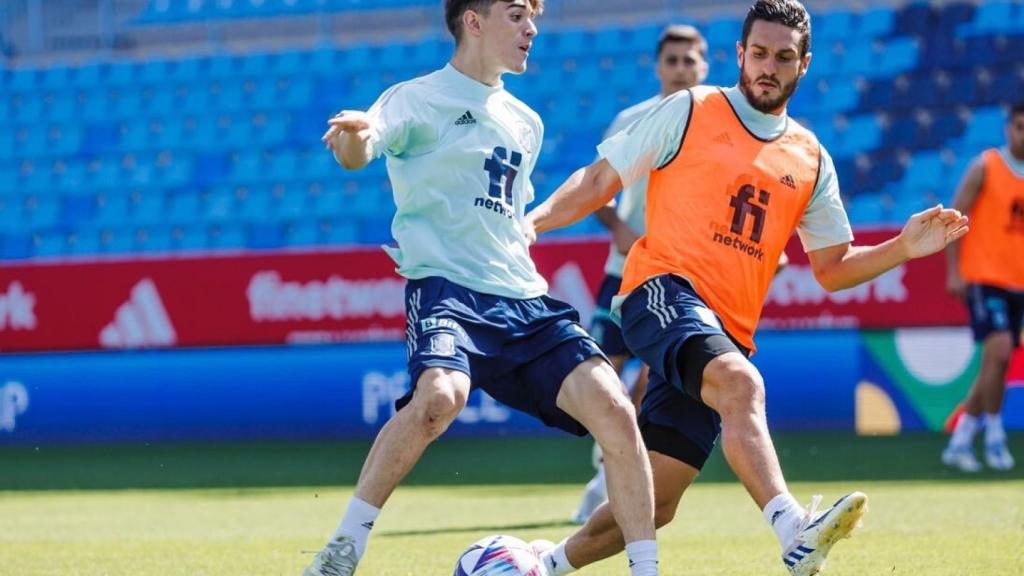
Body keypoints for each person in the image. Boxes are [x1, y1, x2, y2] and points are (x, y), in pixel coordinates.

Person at [524, 1, 969, 574]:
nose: (768, 66)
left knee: (653, 504)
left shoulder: (810, 158)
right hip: (659, 290)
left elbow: (832, 268)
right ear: (739, 54)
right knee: (741, 383)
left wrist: (904, 248)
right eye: (758, 53)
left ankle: (543, 565)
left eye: (783, 57)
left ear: (803, 65)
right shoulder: (691, 107)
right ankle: (793, 529)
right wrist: (531, 224)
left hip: (724, 329)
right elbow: (600, 180)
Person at [305, 1, 660, 575]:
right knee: (439, 400)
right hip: (447, 289)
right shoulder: (415, 98)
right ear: (474, 21)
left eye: (533, 17)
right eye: (517, 15)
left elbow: (508, 209)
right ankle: (343, 549)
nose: (532, 29)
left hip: (522, 297)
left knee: (617, 411)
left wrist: (528, 224)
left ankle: (648, 569)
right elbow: (360, 150)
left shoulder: (527, 121)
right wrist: (353, 136)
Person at [572, 23, 710, 526]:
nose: (679, 69)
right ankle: (605, 456)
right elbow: (597, 188)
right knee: (598, 373)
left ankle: (610, 472)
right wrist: (620, 228)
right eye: (671, 60)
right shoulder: (631, 119)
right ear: (658, 66)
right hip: (626, 270)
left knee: (654, 382)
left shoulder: (717, 122)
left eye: (688, 60)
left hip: (682, 275)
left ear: (704, 66)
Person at [942, 102, 1024, 473]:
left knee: (997, 361)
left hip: (1018, 283)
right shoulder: (985, 166)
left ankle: (960, 441)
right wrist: (954, 272)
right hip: (984, 277)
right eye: (1020, 127)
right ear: (1009, 128)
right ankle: (994, 437)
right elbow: (955, 218)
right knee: (1001, 350)